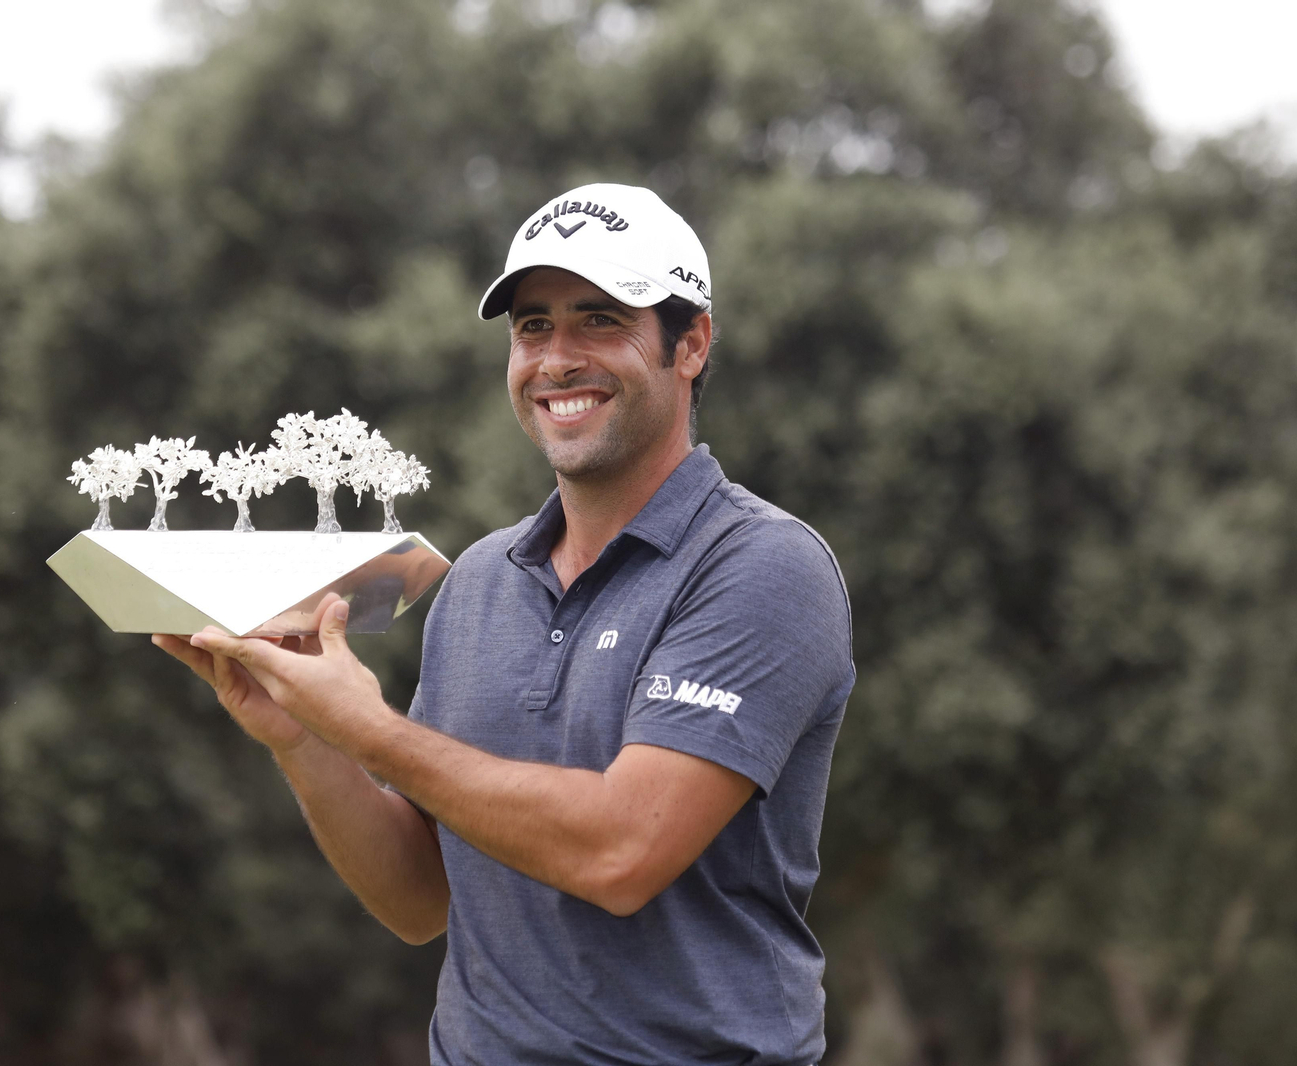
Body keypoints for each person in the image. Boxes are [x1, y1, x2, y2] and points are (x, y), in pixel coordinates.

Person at [154, 183, 854, 1065]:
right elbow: (420, 900)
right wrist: (305, 738)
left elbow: (623, 852)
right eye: (532, 327)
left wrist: (367, 729)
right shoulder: (481, 579)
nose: (556, 360)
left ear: (691, 344)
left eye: (600, 321)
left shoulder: (762, 566)